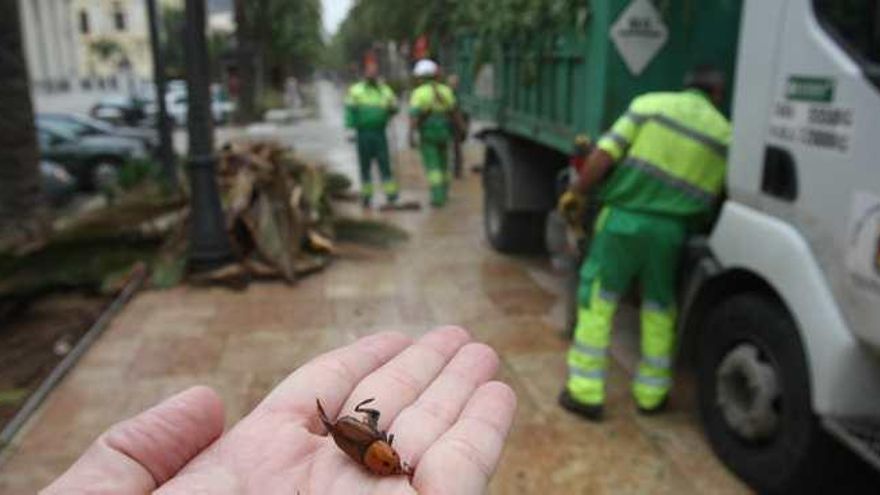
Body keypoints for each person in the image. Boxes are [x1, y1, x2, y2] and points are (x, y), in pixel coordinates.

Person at [42, 327, 516, 494]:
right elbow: (370, 445)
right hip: (355, 438)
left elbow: (371, 447)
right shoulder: (370, 450)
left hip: (356, 439)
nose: (394, 461)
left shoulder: (372, 452)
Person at [557, 67, 731, 420]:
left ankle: (585, 392)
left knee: (599, 299)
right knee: (659, 306)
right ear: (717, 95)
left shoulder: (650, 105)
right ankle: (652, 395)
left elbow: (603, 157)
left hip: (622, 219)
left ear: (686, 86)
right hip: (672, 232)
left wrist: (576, 192)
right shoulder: (725, 135)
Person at [345, 63, 400, 209]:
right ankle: (367, 197)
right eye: (369, 73)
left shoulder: (385, 90)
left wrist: (393, 108)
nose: (371, 75)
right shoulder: (356, 90)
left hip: (380, 133)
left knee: (384, 164)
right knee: (365, 166)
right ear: (365, 75)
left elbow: (394, 107)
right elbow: (350, 111)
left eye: (374, 73)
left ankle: (391, 195)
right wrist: (350, 129)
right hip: (363, 133)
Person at [409, 59, 458, 207]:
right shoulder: (446, 90)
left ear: (419, 77)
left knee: (433, 166)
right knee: (444, 164)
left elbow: (414, 117)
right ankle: (445, 193)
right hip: (445, 131)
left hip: (428, 133)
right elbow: (454, 113)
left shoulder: (418, 93)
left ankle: (437, 198)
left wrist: (411, 135)